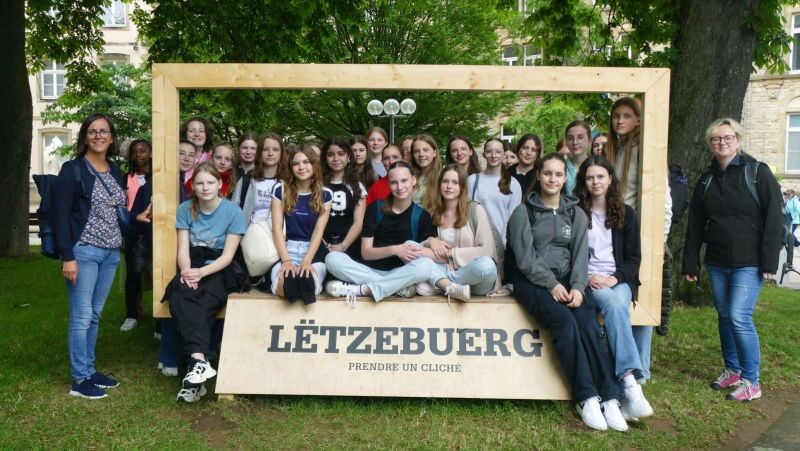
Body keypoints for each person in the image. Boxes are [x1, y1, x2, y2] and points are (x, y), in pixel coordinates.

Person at [506, 153, 626, 431]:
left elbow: (581, 257)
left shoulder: (576, 213)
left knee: (588, 324)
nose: (552, 179)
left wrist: (578, 288)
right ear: (539, 175)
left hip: (569, 280)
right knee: (565, 322)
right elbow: (525, 260)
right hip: (532, 281)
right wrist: (551, 284)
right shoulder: (523, 212)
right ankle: (586, 397)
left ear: (565, 179)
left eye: (558, 174)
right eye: (547, 173)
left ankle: (609, 396)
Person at [683, 118, 782, 402]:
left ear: (738, 141)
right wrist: (690, 263)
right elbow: (695, 224)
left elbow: (774, 218)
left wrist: (769, 263)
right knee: (725, 316)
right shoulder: (706, 180)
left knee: (739, 316)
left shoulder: (758, 173)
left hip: (750, 263)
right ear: (710, 144)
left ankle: (752, 381)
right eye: (716, 139)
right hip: (717, 262)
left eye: (728, 137)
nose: (722, 142)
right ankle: (733, 370)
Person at [574, 155, 654, 421]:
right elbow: (570, 256)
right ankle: (631, 386)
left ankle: (627, 386)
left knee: (616, 302)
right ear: (583, 181)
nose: (595, 182)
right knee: (613, 304)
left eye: (600, 176)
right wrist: (587, 276)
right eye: (590, 177)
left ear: (610, 179)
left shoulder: (626, 213)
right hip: (589, 281)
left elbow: (634, 259)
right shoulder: (576, 212)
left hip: (617, 280)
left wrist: (614, 278)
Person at [55, 113, 126, 399]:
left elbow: (117, 209)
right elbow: (60, 216)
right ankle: (79, 379)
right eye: (93, 131)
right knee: (82, 316)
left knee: (94, 315)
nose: (99, 136)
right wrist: (68, 257)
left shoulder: (115, 170)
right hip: (83, 252)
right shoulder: (73, 169)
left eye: (104, 131)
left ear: (111, 137)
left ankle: (90, 369)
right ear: (85, 136)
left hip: (111, 254)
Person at [164, 163, 246, 402]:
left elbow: (228, 256)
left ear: (220, 184)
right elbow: (183, 248)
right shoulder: (185, 209)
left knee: (202, 302)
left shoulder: (233, 211)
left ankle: (193, 379)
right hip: (192, 264)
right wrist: (187, 271)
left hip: (219, 267)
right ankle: (199, 362)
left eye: (210, 182)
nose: (205, 187)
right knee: (180, 295)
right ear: (193, 186)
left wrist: (201, 273)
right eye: (199, 183)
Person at [605, 96, 672, 387]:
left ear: (639, 120)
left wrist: (659, 243)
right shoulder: (617, 150)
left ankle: (641, 370)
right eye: (616, 116)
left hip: (641, 237)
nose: (620, 121)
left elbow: (663, 200)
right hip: (616, 235)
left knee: (642, 300)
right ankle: (627, 364)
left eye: (626, 116)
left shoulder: (646, 151)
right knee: (624, 297)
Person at [324, 161, 439, 305]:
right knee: (332, 258)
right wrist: (395, 250)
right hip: (368, 270)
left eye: (404, 181)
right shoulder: (375, 208)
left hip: (401, 272)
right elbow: (366, 253)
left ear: (414, 180)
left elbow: (431, 256)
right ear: (388, 184)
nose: (400, 187)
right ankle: (395, 288)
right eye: (394, 182)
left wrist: (432, 242)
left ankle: (363, 289)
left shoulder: (422, 216)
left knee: (425, 265)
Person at [422, 164, 501, 301]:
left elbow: (487, 251)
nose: (449, 186)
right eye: (445, 181)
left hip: (477, 279)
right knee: (411, 247)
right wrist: (431, 241)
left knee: (486, 265)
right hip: (447, 269)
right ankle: (449, 286)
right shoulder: (435, 214)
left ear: (462, 186)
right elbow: (424, 249)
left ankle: (444, 283)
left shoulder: (475, 210)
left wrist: (451, 253)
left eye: (455, 182)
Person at [270, 145, 332, 304]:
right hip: (285, 250)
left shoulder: (325, 194)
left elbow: (318, 232)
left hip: (312, 252)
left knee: (307, 286)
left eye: (306, 162)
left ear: (314, 164)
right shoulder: (280, 189)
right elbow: (276, 228)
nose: (301, 167)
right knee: (287, 287)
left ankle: (311, 284)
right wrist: (286, 261)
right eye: (296, 163)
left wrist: (307, 261)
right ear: (291, 167)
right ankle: (287, 282)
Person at [120, 139, 152, 332]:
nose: (138, 155)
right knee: (132, 275)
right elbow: (122, 204)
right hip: (132, 229)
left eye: (143, 151)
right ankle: (131, 314)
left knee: (155, 273)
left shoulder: (157, 176)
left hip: (152, 229)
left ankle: (160, 319)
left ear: (150, 153)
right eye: (135, 152)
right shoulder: (126, 177)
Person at [467, 137, 522, 246]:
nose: (493, 155)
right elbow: (466, 213)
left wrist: (502, 243)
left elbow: (512, 218)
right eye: (489, 152)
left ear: (503, 155)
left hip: (502, 244)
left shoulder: (513, 184)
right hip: (475, 243)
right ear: (483, 155)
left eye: (498, 152)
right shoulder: (472, 180)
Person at [319, 137, 366, 262]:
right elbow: (312, 219)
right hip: (320, 244)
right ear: (325, 158)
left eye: (341, 154)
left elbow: (358, 222)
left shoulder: (357, 187)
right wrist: (325, 245)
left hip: (350, 246)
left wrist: (343, 246)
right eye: (330, 154)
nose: (336, 159)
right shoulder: (317, 185)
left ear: (349, 156)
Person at [232, 132, 285, 228]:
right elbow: (232, 211)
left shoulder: (288, 182)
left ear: (281, 152)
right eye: (265, 149)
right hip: (250, 233)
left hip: (279, 234)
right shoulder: (247, 180)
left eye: (275, 149)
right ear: (259, 152)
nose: (270, 153)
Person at [410, 134, 443, 212]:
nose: (421, 154)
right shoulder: (408, 177)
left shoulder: (443, 177)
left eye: (425, 150)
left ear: (434, 153)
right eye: (416, 151)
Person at [565, 121, 592, 194]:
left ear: (589, 141)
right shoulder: (561, 167)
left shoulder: (598, 166)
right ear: (566, 142)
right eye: (570, 138)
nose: (575, 142)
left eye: (580, 137)